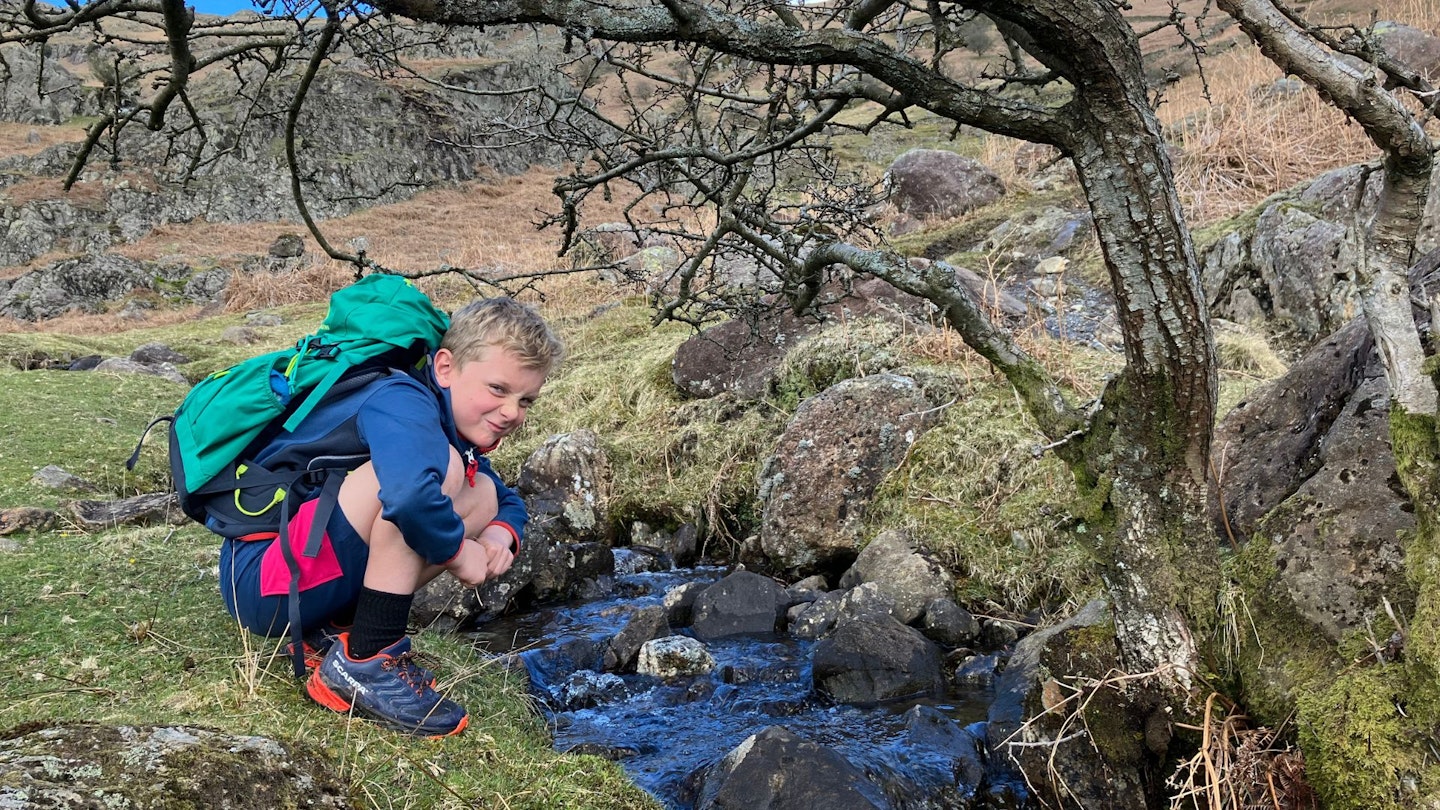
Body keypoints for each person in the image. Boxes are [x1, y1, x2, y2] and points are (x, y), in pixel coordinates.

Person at [217, 296, 563, 737]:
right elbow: (410, 498)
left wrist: (500, 537)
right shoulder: (400, 399)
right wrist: (459, 553)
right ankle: (368, 659)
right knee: (439, 476)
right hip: (264, 582)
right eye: (498, 389)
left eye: (526, 399)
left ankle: (335, 633)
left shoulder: (437, 414)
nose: (513, 411)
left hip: (293, 581)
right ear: (445, 368)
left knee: (476, 491)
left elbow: (496, 494)